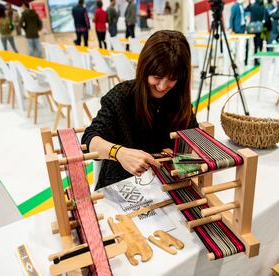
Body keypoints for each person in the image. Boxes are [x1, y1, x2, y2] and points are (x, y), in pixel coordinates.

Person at [81, 30, 198, 190]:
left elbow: (193, 139)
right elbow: (89, 140)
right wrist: (119, 153)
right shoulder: (121, 97)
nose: (163, 86)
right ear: (144, 69)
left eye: (171, 79)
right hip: (121, 183)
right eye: (157, 77)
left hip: (165, 184)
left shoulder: (178, 99)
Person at [245, 0, 266, 65]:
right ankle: (258, 59)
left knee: (254, 45)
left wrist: (249, 4)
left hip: (253, 28)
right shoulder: (263, 7)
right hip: (260, 28)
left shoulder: (253, 6)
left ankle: (248, 60)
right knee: (260, 44)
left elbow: (246, 9)